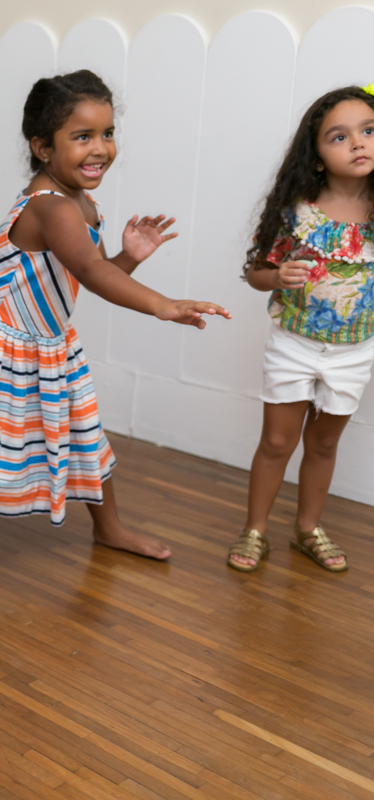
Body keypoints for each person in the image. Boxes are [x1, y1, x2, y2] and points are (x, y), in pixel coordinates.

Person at [0, 70, 231, 560]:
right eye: (82, 137)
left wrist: (129, 258)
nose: (100, 147)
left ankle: (109, 528)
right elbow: (89, 267)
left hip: (46, 346)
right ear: (43, 147)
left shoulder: (82, 203)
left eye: (107, 133)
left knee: (84, 436)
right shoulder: (51, 208)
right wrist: (163, 305)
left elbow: (95, 273)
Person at [227, 86, 374, 573]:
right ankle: (255, 530)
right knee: (276, 442)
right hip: (294, 343)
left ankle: (307, 528)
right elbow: (255, 276)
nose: (358, 143)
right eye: (340, 136)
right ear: (315, 158)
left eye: (369, 131)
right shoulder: (297, 213)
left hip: (355, 350)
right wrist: (279, 275)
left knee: (325, 443)